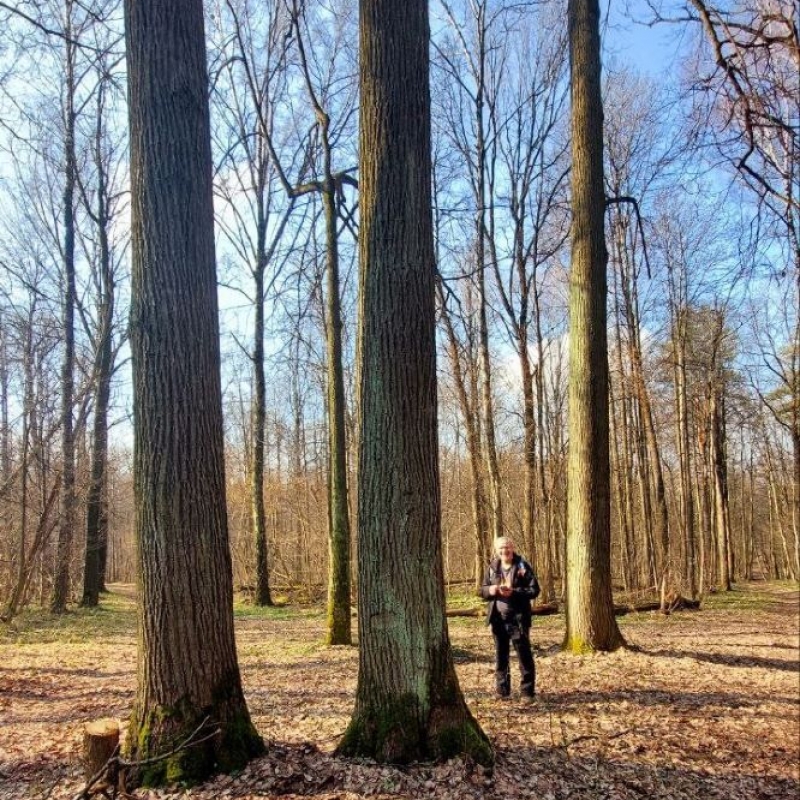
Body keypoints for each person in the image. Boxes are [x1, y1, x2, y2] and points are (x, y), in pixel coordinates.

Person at [479, 536, 540, 700]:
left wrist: (514, 592)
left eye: (507, 547)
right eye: (501, 548)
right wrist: (491, 590)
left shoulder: (522, 566)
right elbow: (482, 590)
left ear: (512, 548)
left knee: (524, 656)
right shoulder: (493, 567)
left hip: (518, 620)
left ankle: (527, 692)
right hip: (498, 619)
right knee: (501, 656)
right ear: (496, 550)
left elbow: (534, 590)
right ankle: (502, 691)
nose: (504, 551)